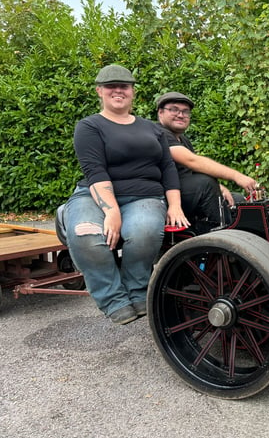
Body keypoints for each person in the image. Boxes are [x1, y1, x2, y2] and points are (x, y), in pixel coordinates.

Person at [64, 65, 190, 325]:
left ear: (133, 92)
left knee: (144, 233)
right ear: (100, 91)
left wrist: (174, 205)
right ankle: (113, 299)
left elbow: (168, 168)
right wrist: (112, 212)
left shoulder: (152, 129)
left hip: (145, 197)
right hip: (95, 196)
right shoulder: (89, 126)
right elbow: (95, 171)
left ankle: (136, 291)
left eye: (124, 86)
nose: (118, 90)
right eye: (111, 86)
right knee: (86, 236)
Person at [155, 91, 257, 225]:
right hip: (167, 196)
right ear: (160, 112)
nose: (180, 115)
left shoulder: (183, 140)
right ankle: (224, 236)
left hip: (185, 192)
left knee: (236, 199)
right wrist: (237, 176)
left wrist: (219, 187)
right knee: (206, 183)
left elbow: (193, 171)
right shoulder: (159, 133)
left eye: (185, 112)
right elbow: (192, 161)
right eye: (174, 110)